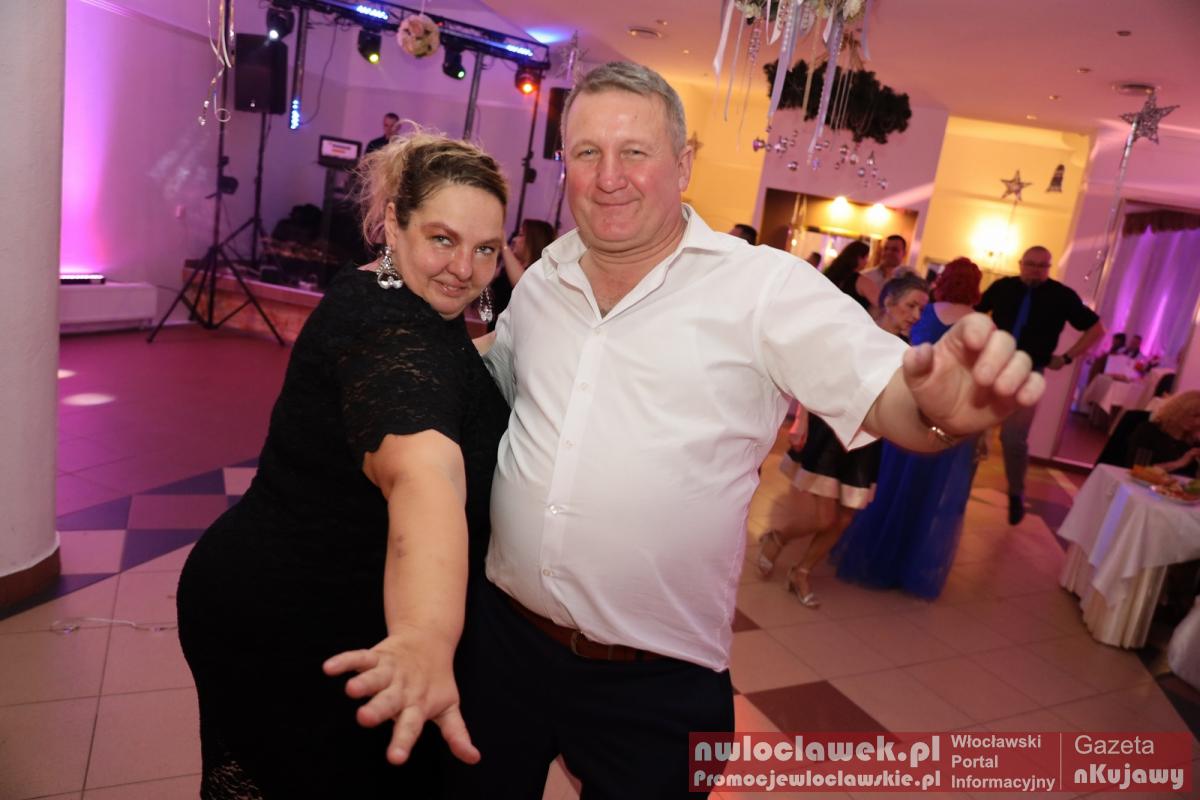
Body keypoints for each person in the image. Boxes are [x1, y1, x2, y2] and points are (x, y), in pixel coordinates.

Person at [454, 61, 1042, 798]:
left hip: (654, 683)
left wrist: (938, 413)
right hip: (503, 643)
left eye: (634, 151)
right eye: (587, 152)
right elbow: (499, 390)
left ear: (683, 164)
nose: (608, 177)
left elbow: (888, 395)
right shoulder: (545, 278)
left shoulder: (763, 288)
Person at [176, 131, 511, 797]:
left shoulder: (393, 293)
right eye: (442, 239)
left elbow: (444, 365)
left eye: (486, 249)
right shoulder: (385, 328)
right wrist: (425, 635)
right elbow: (422, 473)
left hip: (298, 595)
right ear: (393, 222)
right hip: (289, 620)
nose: (464, 269)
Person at [759, 273, 929, 607]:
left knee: (846, 517)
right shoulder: (858, 331)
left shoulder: (907, 353)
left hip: (867, 442)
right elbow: (816, 374)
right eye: (911, 306)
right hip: (831, 432)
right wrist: (801, 420)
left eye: (922, 309)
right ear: (889, 301)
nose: (916, 315)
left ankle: (801, 572)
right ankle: (776, 537)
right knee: (823, 518)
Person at [831, 258, 985, 599]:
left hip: (910, 408)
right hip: (948, 417)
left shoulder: (926, 313)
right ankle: (908, 567)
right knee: (929, 496)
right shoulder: (979, 324)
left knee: (890, 485)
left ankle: (874, 556)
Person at [976, 245, 1105, 524]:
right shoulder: (1002, 288)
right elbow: (974, 313)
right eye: (1030, 264)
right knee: (973, 431)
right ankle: (959, 492)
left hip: (1030, 373)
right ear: (1020, 263)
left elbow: (1097, 329)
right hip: (993, 366)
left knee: (1012, 438)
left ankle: (1015, 493)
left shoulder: (1061, 296)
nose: (1035, 269)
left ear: (1049, 268)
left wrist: (1067, 357)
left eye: (1041, 265)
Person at [485, 218, 554, 331]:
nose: (514, 239)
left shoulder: (539, 274)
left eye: (521, 235)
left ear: (533, 241)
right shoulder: (507, 269)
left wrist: (504, 245)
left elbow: (523, 284)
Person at [1127, 389, 1200, 477]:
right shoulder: (1149, 431)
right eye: (1195, 415)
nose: (1198, 422)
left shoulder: (1194, 442)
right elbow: (1138, 469)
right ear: (1179, 413)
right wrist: (1178, 463)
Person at [859, 233, 914, 311]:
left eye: (894, 250)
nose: (888, 252)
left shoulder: (911, 278)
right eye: (886, 248)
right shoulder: (866, 276)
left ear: (904, 253)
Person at [821, 240, 872, 311]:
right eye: (866, 257)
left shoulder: (832, 272)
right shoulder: (858, 280)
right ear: (859, 258)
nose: (867, 262)